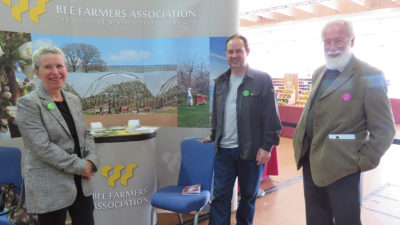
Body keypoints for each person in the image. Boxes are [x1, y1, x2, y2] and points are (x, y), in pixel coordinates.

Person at [293, 19, 396, 225]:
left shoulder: (370, 75)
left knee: (346, 220)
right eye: (326, 42)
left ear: (352, 41)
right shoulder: (319, 72)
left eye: (338, 41)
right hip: (312, 162)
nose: (331, 47)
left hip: (344, 167)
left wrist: (362, 162)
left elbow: (384, 129)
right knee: (316, 220)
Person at [203, 34, 282, 225]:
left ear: (247, 52)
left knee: (247, 198)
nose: (234, 55)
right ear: (226, 54)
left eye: (239, 51)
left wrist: (267, 146)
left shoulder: (262, 80)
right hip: (224, 152)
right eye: (230, 51)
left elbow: (271, 117)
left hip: (251, 153)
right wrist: (213, 134)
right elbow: (217, 113)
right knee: (220, 198)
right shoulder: (221, 81)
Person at [16, 46, 99, 225]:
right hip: (50, 183)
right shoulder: (28, 103)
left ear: (66, 70)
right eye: (48, 67)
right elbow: (41, 148)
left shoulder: (73, 100)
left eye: (59, 66)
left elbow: (85, 134)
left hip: (81, 182)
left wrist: (91, 161)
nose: (55, 72)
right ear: (37, 72)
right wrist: (80, 165)